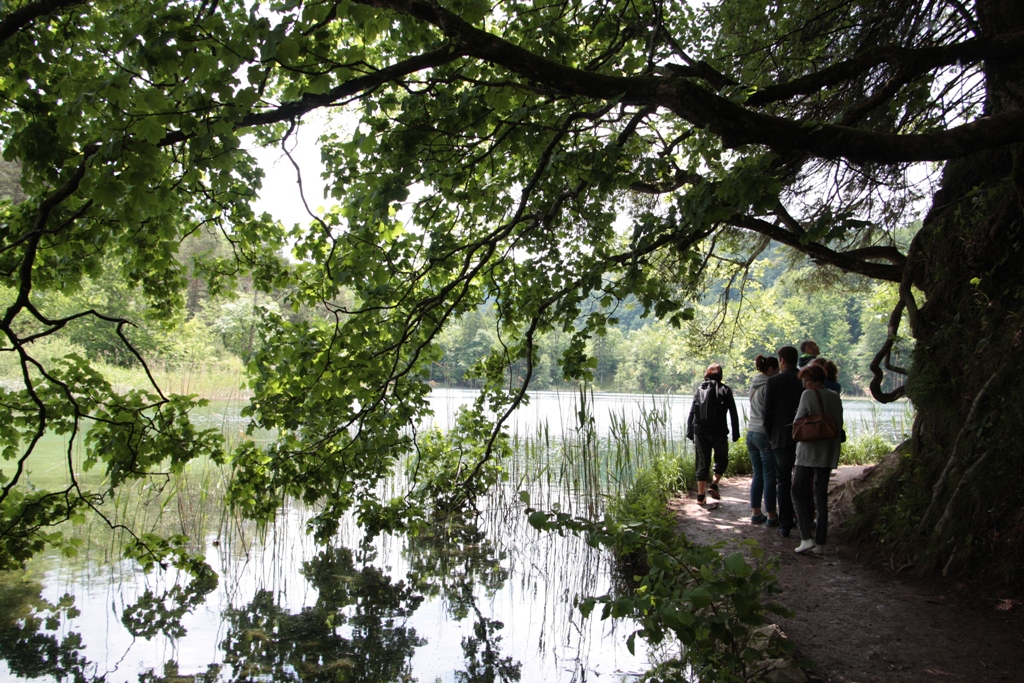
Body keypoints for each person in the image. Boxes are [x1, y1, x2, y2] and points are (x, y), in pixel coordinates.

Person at [791, 363, 844, 555]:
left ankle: (806, 538)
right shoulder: (835, 396)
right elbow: (839, 423)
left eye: (806, 381)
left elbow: (798, 420)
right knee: (820, 496)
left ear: (815, 381)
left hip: (807, 452)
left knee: (796, 491)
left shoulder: (807, 395)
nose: (804, 385)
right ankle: (820, 543)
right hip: (828, 452)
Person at [761, 345, 804, 536]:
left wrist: (771, 437)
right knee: (803, 482)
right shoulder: (805, 380)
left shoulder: (774, 382)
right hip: (804, 438)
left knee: (783, 481)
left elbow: (767, 414)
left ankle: (785, 523)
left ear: (782, 361)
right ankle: (805, 521)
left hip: (781, 438)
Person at [686, 363, 740, 507]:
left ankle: (700, 496)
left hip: (700, 432)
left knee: (702, 462)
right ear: (720, 375)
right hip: (719, 432)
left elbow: (692, 412)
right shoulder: (725, 390)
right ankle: (714, 484)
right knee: (721, 459)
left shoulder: (699, 389)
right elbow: (733, 413)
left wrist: (689, 431)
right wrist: (736, 432)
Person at [746, 354, 779, 525]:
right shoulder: (769, 386)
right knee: (769, 475)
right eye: (777, 370)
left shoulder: (754, 384)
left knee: (757, 473)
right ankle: (772, 515)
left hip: (751, 432)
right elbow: (770, 413)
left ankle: (756, 512)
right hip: (763, 434)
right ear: (771, 369)